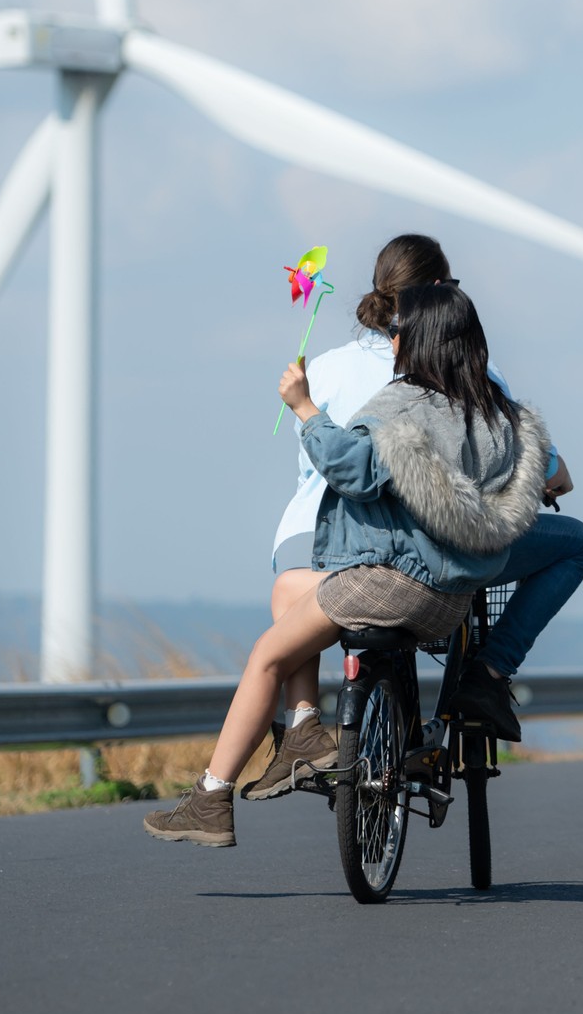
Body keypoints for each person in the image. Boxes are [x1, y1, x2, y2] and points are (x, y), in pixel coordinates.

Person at [144, 285, 552, 847]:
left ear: (417, 339)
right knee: (290, 588)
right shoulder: (500, 418)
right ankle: (306, 729)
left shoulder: (405, 403)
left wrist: (304, 407)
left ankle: (212, 796)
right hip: (449, 596)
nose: (394, 338)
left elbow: (354, 472)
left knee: (266, 657)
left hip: (392, 581)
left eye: (400, 330)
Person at [247, 234, 583, 801]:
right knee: (569, 543)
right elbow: (524, 455)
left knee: (293, 611)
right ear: (439, 294)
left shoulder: (326, 367)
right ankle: (489, 673)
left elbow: (319, 466)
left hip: (310, 532)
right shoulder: (465, 372)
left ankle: (302, 723)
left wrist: (306, 407)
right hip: (417, 544)